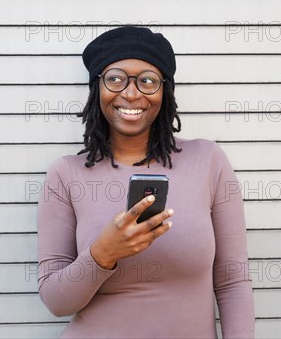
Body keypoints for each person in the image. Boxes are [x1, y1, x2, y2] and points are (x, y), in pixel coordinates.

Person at [37, 26, 255, 338]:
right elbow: (56, 302)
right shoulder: (65, 174)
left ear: (165, 91)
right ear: (96, 87)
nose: (130, 92)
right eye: (115, 78)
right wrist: (103, 253)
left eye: (147, 80)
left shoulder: (207, 161)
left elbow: (233, 281)